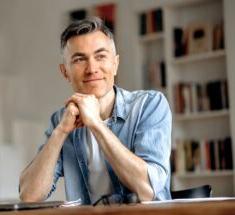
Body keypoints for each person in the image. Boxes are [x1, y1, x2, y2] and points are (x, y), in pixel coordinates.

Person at [19, 16, 172, 205]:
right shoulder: (60, 120)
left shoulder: (150, 105)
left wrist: (96, 124)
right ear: (65, 72)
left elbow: (147, 190)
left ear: (115, 64)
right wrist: (60, 132)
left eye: (100, 56)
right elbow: (29, 196)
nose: (92, 69)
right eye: (79, 59)